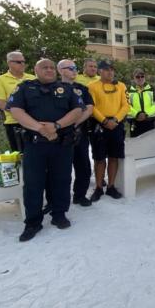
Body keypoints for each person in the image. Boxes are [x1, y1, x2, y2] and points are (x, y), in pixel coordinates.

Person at [7, 59, 84, 242]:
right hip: (35, 144)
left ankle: (59, 214)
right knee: (33, 183)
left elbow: (77, 111)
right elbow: (16, 111)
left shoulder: (67, 89)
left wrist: (55, 126)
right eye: (44, 67)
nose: (49, 70)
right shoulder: (25, 88)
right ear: (35, 70)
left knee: (62, 180)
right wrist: (41, 129)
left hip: (61, 144)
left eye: (51, 67)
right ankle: (33, 222)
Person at [88, 60, 130, 202]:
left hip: (116, 125)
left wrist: (116, 120)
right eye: (106, 69)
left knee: (114, 157)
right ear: (99, 71)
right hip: (99, 125)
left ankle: (111, 186)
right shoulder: (92, 87)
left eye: (112, 69)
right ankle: (99, 187)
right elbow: (91, 107)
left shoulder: (121, 86)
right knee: (99, 158)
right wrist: (104, 121)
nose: (110, 72)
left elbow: (126, 106)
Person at [57, 59, 94, 207]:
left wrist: (75, 123)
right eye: (70, 68)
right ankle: (59, 200)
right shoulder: (53, 87)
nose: (74, 70)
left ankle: (80, 195)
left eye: (75, 68)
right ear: (60, 70)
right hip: (59, 134)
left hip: (79, 133)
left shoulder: (82, 89)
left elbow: (89, 108)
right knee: (61, 170)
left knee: (84, 166)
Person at [0, 51, 35, 151]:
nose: (23, 64)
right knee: (20, 155)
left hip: (35, 122)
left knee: (38, 154)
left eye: (24, 61)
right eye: (19, 62)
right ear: (9, 63)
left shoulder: (32, 78)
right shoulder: (0, 79)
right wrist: (21, 115)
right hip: (14, 123)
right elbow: (1, 103)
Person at [126, 68, 155, 137]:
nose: (140, 78)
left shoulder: (152, 89)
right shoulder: (128, 90)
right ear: (133, 78)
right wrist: (137, 114)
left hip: (150, 122)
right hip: (135, 123)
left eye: (142, 76)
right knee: (136, 145)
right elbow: (126, 106)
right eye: (137, 77)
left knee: (150, 145)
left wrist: (146, 114)